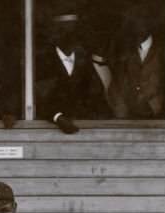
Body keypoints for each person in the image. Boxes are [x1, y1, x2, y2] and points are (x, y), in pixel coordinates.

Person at [35, 4, 109, 134]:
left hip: (84, 130)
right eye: (63, 30)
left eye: (73, 30)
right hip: (48, 132)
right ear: (54, 34)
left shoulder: (85, 60)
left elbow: (96, 96)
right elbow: (39, 99)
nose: (69, 35)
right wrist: (57, 117)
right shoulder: (43, 62)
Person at [105, 11, 164, 119]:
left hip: (157, 119)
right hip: (128, 120)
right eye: (133, 24)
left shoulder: (163, 51)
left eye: (141, 22)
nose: (137, 27)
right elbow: (116, 84)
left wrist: (154, 105)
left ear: (149, 25)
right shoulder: (125, 52)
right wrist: (121, 111)